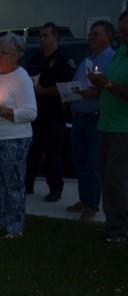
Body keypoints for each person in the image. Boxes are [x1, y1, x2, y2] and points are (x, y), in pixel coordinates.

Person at [0, 34, 37, 238]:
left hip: (13, 139)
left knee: (13, 184)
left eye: (3, 52)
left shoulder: (22, 79)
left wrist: (2, 111)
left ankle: (15, 226)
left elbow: (30, 112)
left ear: (16, 55)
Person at [68, 21, 116, 222]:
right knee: (80, 161)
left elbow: (107, 87)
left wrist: (93, 93)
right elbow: (77, 84)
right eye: (90, 34)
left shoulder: (112, 59)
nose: (90, 37)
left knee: (93, 163)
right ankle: (84, 199)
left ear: (108, 37)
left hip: (96, 118)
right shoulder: (86, 60)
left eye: (95, 34)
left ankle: (93, 205)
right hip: (79, 117)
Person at [25, 22, 76, 201]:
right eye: (40, 36)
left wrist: (44, 90)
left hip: (54, 113)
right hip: (34, 113)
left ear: (56, 37)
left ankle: (55, 189)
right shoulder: (35, 59)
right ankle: (27, 185)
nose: (41, 39)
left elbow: (68, 88)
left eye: (46, 35)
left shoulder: (63, 60)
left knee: (53, 154)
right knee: (32, 151)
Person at [89, 11, 128, 244]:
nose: (122, 35)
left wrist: (107, 83)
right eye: (121, 30)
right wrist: (97, 87)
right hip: (106, 124)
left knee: (117, 180)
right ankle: (114, 224)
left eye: (126, 31)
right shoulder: (121, 52)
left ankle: (119, 231)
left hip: (123, 129)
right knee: (109, 179)